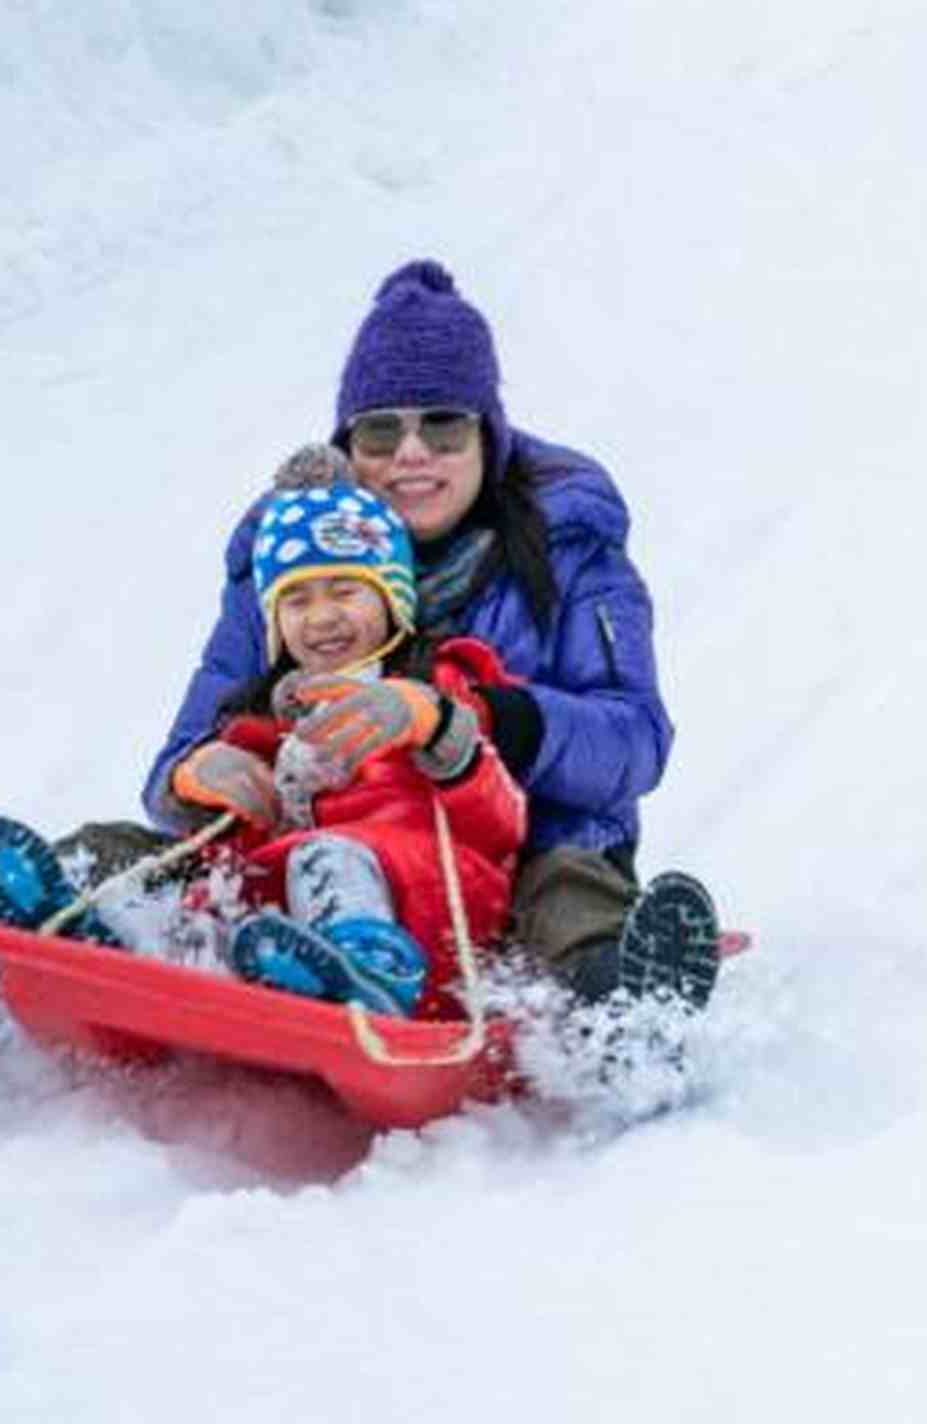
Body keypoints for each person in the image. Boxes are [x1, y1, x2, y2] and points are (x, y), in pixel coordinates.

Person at [95, 258, 720, 1009]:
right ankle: (13, 944)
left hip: (519, 854)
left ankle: (626, 1008)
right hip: (319, 848)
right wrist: (199, 774)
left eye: (444, 425)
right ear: (348, 447)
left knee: (565, 892)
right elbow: (184, 754)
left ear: (488, 436)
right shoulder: (288, 561)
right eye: (381, 430)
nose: (412, 454)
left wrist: (475, 720)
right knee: (139, 858)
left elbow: (634, 743)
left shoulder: (570, 545)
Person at [0, 471, 526, 1019]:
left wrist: (438, 729)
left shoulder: (438, 685)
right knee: (205, 884)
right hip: (290, 923)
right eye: (297, 601)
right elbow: (226, 832)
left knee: (325, 855)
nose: (322, 617)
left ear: (393, 598)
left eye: (345, 591)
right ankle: (100, 938)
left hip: (431, 912)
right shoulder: (264, 720)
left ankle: (370, 972)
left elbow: (502, 825)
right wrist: (198, 775)